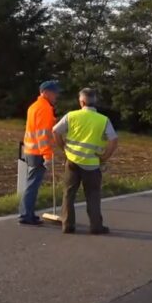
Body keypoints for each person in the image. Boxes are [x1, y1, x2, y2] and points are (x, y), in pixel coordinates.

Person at [53, 88, 118, 234]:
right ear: (95, 102)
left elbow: (55, 131)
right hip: (92, 164)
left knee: (69, 193)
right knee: (93, 195)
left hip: (72, 161)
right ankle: (96, 226)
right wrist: (105, 156)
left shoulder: (71, 116)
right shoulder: (103, 120)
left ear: (81, 101)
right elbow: (114, 140)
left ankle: (68, 225)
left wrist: (63, 147)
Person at [18, 81, 60, 226]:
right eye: (55, 93)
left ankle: (28, 213)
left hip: (30, 150)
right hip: (38, 152)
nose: (56, 96)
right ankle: (25, 215)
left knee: (31, 183)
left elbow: (40, 127)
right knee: (33, 185)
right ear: (46, 92)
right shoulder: (44, 108)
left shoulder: (34, 107)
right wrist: (47, 156)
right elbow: (43, 135)